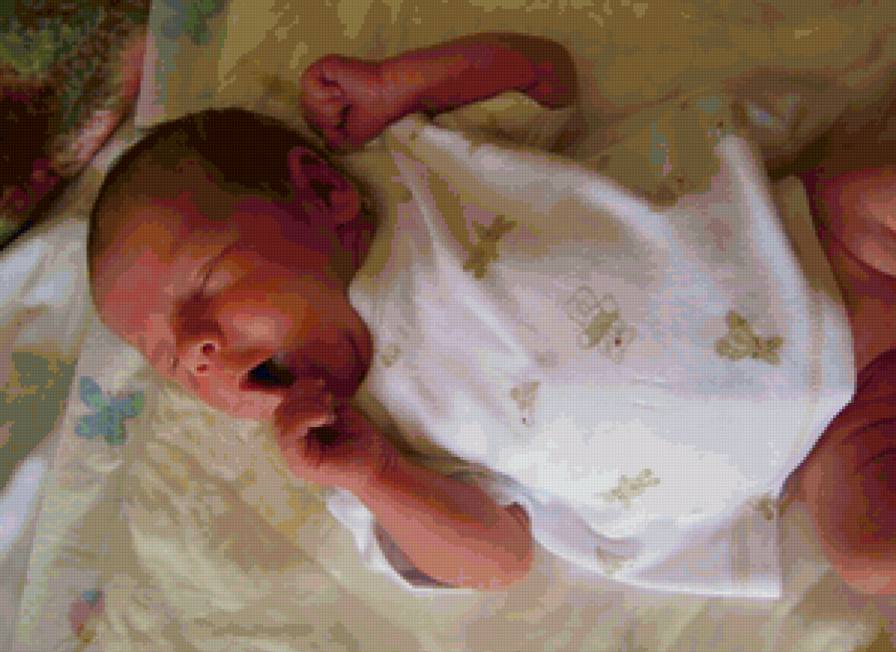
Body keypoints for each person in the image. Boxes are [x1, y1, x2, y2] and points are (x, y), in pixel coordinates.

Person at [86, 31, 896, 596]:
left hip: (809, 247)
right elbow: (500, 561)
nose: (198, 350)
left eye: (205, 287)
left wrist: (399, 84)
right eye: (171, 359)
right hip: (816, 441)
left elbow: (543, 77)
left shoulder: (410, 169)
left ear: (325, 193)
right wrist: (376, 475)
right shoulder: (354, 453)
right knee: (867, 554)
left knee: (876, 193)